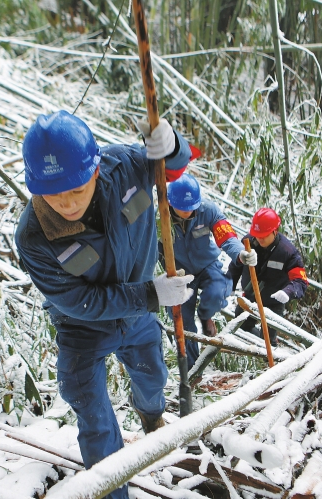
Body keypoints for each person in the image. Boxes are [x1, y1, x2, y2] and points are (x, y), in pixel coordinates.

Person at [14, 110, 195, 499]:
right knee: (92, 416)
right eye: (53, 193)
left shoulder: (126, 168)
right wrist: (152, 294)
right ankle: (113, 491)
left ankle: (151, 415)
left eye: (77, 189)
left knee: (152, 377)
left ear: (95, 170)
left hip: (137, 316)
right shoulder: (34, 237)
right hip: (83, 329)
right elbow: (80, 301)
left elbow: (175, 165)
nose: (67, 203)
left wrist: (171, 145)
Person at [159, 173, 257, 369]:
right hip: (179, 274)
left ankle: (206, 315)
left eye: (192, 207)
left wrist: (241, 254)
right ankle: (193, 369)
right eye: (182, 208)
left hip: (207, 266)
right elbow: (147, 250)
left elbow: (227, 237)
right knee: (183, 324)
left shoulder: (208, 210)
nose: (188, 212)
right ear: (170, 203)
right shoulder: (159, 218)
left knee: (218, 288)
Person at [227, 207, 308, 347]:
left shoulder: (287, 252)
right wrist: (229, 285)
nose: (260, 238)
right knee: (241, 331)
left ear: (274, 231)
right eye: (258, 234)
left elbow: (300, 280)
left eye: (264, 234)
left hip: (273, 302)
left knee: (268, 343)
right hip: (249, 297)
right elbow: (236, 266)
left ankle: (268, 353)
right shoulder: (248, 243)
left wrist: (287, 292)